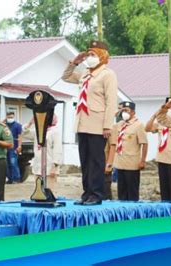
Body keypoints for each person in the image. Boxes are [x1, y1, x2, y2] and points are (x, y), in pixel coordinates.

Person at [62, 40, 118, 205]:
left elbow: (111, 101)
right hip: (82, 122)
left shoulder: (107, 74)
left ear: (102, 56)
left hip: (97, 123)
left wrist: (108, 125)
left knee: (96, 160)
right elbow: (65, 77)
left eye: (93, 55)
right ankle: (87, 193)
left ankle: (97, 194)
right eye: (89, 54)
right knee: (85, 160)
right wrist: (75, 62)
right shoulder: (85, 73)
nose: (90, 57)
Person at [107, 101, 148, 201]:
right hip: (120, 163)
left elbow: (144, 143)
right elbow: (108, 126)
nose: (124, 112)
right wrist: (117, 112)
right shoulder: (119, 124)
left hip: (132, 165)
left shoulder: (138, 125)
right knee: (121, 192)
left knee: (132, 193)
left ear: (133, 112)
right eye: (123, 110)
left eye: (127, 110)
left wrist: (143, 160)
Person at [145, 97, 171, 201]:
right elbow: (147, 128)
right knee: (164, 186)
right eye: (169, 106)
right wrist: (155, 115)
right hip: (162, 157)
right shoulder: (161, 122)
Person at [31, 114, 62, 192]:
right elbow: (24, 133)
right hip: (38, 166)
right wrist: (30, 123)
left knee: (48, 192)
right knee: (38, 192)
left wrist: (54, 167)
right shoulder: (38, 130)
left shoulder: (54, 131)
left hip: (49, 167)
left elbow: (57, 150)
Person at [5, 112, 23, 184]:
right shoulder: (4, 125)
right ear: (6, 117)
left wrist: (19, 146)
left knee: (13, 163)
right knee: (7, 163)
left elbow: (20, 137)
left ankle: (16, 178)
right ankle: (10, 178)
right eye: (9, 117)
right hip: (5, 147)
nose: (10, 119)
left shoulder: (18, 125)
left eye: (11, 117)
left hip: (14, 147)